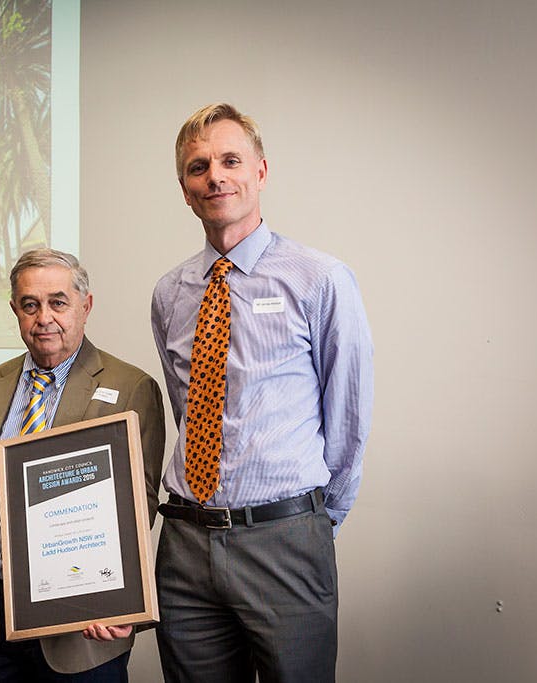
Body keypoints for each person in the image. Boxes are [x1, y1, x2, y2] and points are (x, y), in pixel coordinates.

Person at [151, 103, 374, 682]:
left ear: (261, 172)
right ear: (184, 188)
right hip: (184, 544)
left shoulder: (319, 278)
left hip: (284, 539)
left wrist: (313, 522)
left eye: (230, 160)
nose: (215, 176)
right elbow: (190, 410)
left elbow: (348, 419)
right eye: (199, 167)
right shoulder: (170, 293)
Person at [0, 248, 165, 682]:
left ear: (86, 306)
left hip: (81, 621)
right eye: (30, 305)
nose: (43, 317)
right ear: (15, 311)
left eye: (58, 302)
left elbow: (137, 505)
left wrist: (118, 602)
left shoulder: (130, 387)